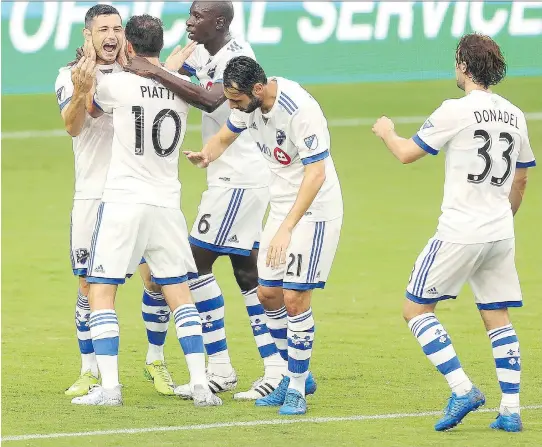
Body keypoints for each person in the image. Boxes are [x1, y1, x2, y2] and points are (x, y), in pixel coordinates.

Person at [371, 33, 535, 432]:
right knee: (498, 315)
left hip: (460, 230)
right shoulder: (515, 114)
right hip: (499, 231)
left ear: (463, 64)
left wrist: (386, 131)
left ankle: (462, 388)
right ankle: (511, 410)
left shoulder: (454, 110)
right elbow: (523, 173)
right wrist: (504, 214)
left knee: (415, 309)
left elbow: (408, 153)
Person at [125, 0, 284, 400]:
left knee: (189, 269)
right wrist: (153, 67)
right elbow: (181, 77)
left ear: (218, 22)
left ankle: (221, 367)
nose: (189, 22)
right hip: (231, 178)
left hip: (237, 180)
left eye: (197, 17)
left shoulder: (239, 56)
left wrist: (156, 71)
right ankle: (280, 366)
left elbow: (211, 99)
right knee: (249, 277)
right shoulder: (201, 52)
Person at [71, 14, 221, 408]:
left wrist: (87, 81)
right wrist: (165, 70)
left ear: (130, 48)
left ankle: (110, 388)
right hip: (167, 203)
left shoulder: (117, 84)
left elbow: (89, 110)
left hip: (123, 201)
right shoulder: (181, 91)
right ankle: (201, 384)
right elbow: (170, 84)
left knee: (102, 291)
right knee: (179, 293)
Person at [183, 56, 344, 415]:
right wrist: (207, 155)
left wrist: (287, 228)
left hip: (315, 210)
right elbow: (227, 134)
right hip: (283, 206)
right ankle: (293, 372)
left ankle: (297, 389)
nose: (235, 107)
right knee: (268, 292)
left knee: (294, 299)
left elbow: (316, 174)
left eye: (237, 100)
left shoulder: (299, 109)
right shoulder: (249, 103)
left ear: (258, 89)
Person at [55, 4, 125, 398]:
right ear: (88, 35)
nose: (110, 36)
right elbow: (72, 126)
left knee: (156, 282)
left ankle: (157, 360)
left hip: (137, 195)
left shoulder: (137, 72)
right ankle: (89, 370)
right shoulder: (70, 74)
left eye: (117, 28)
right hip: (92, 195)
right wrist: (84, 89)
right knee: (87, 283)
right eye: (103, 30)